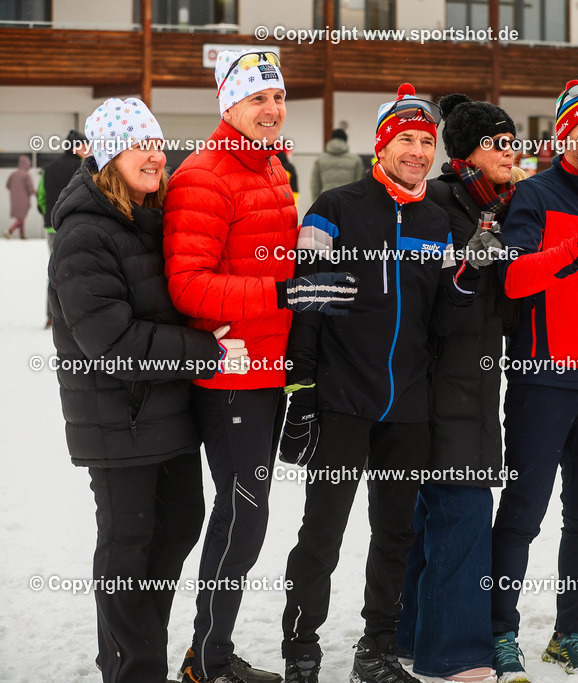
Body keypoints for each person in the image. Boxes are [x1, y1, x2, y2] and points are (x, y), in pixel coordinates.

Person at [164, 49, 356, 683]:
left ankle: (210, 653)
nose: (273, 110)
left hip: (270, 370)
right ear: (229, 105)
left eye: (277, 98)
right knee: (243, 515)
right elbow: (189, 286)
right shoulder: (203, 175)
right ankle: (208, 660)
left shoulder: (272, 168)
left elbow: (271, 265)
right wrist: (281, 293)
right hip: (229, 375)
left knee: (247, 515)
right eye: (257, 99)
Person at [278, 83, 480, 683]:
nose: (418, 151)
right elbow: (307, 307)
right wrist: (302, 390)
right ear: (382, 145)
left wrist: (467, 278)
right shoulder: (335, 209)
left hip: (407, 408)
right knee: (322, 532)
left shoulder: (437, 221)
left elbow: (443, 320)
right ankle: (301, 648)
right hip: (341, 402)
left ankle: (377, 649)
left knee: (394, 534)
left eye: (426, 141)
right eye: (407, 140)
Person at [48, 97, 248, 683]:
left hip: (165, 413)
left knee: (180, 525)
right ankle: (130, 668)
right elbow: (108, 343)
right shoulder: (85, 235)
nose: (155, 156)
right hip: (117, 420)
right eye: (140, 145)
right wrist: (203, 351)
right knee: (129, 544)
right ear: (110, 155)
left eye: (158, 144)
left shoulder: (149, 220)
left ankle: (136, 654)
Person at [490, 79, 578, 682]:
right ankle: (498, 632)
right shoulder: (532, 194)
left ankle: (570, 630)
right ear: (563, 136)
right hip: (542, 379)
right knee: (523, 511)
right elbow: (515, 279)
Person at [393, 93, 521, 683]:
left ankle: (412, 636)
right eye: (498, 142)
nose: (510, 152)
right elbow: (425, 297)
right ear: (467, 153)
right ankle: (456, 653)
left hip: (474, 382)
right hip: (441, 384)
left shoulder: (496, 204)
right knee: (464, 514)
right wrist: (467, 270)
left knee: (439, 514)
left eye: (513, 141)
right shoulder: (441, 204)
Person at [38, 129, 89, 327]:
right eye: (85, 145)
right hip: (75, 226)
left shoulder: (48, 168)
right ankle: (74, 316)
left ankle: (52, 315)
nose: (89, 149)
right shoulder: (83, 168)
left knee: (56, 269)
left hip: (52, 229)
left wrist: (48, 217)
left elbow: (41, 197)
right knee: (79, 269)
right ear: (76, 147)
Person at [310, 127, 365, 198]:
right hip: (348, 200)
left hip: (327, 200)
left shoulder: (320, 160)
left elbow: (315, 185)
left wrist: (316, 201)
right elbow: (359, 184)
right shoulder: (356, 160)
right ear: (345, 141)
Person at [6, 155, 34, 239]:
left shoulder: (13, 174)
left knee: (21, 217)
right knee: (21, 217)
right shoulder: (26, 175)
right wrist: (37, 193)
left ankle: (22, 236)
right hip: (24, 199)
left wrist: (15, 191)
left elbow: (8, 185)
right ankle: (10, 231)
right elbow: (31, 189)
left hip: (14, 198)